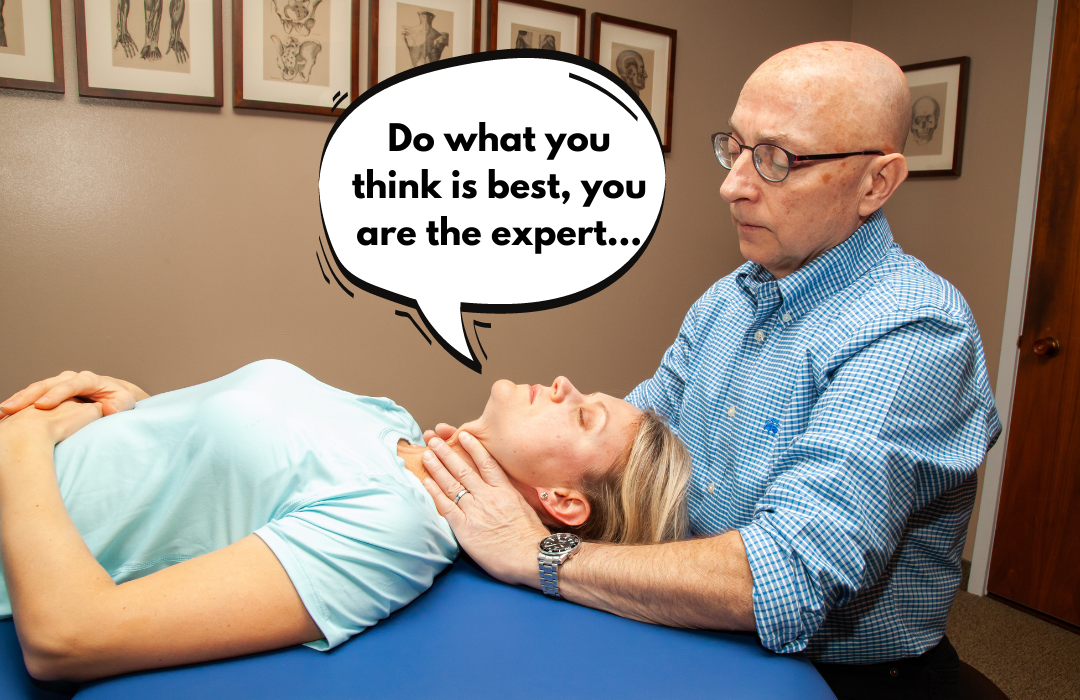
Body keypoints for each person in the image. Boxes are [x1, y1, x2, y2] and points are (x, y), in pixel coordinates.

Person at [420, 41, 999, 700]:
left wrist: (538, 552)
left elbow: (788, 578)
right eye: (736, 148)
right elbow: (629, 453)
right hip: (694, 632)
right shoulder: (729, 299)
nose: (733, 185)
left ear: (876, 183)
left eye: (778, 159)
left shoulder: (914, 331)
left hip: (841, 679)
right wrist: (480, 464)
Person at [0, 360, 691, 683]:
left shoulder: (395, 527)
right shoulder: (392, 421)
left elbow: (67, 636)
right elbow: (205, 485)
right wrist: (126, 409)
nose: (565, 385)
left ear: (563, 502)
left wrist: (23, 441)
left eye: (584, 415)